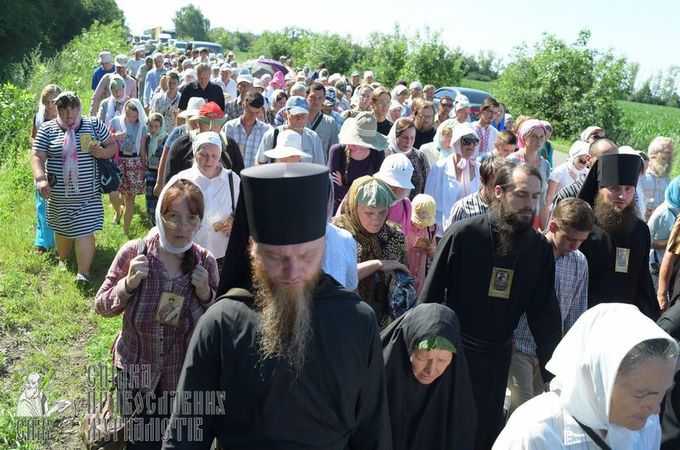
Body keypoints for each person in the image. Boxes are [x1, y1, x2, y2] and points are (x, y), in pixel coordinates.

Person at [162, 164, 391, 449]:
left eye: (306, 255)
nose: (292, 271)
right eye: (275, 257)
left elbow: (373, 433)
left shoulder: (357, 322)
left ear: (323, 246)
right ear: (252, 249)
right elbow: (186, 434)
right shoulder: (221, 323)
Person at [419, 162, 562, 449]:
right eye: (522, 195)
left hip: (497, 358)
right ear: (499, 192)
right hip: (452, 354)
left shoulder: (539, 249)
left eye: (535, 197)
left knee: (483, 431)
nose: (529, 204)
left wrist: (553, 374)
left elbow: (544, 316)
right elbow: (429, 297)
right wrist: (421, 352)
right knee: (442, 429)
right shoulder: (464, 234)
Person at [95, 177, 219, 450]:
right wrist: (127, 285)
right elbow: (102, 306)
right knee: (141, 444)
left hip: (183, 381)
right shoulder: (134, 253)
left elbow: (218, 325)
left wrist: (206, 295)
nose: (183, 227)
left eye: (192, 218)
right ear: (159, 216)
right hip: (135, 375)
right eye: (173, 216)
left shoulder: (205, 263)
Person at [494, 303, 678, 450]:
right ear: (599, 380)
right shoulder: (535, 432)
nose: (655, 409)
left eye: (661, 393)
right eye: (641, 394)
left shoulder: (646, 422)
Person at [507, 198, 593, 414]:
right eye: (570, 239)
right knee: (523, 409)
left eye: (581, 241)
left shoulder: (579, 262)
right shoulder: (529, 252)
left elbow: (575, 313)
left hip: (550, 353)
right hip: (519, 346)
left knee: (541, 411)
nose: (575, 247)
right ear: (553, 226)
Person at [31, 92, 117, 284]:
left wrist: (102, 152)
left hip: (88, 196)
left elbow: (112, 145)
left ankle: (83, 273)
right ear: (57, 109)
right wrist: (41, 179)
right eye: (63, 109)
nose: (69, 113)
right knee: (62, 230)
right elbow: (37, 156)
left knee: (84, 231)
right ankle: (63, 260)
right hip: (58, 197)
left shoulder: (93, 125)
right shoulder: (47, 129)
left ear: (79, 107)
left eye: (72, 108)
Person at [381, 303, 476, 450]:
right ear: (407, 346)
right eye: (422, 357)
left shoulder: (457, 397)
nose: (431, 370)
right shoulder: (378, 382)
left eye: (442, 360)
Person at [578, 153, 660, 319]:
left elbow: (643, 281)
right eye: (614, 188)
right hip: (587, 318)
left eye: (628, 189)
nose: (622, 196)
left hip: (626, 321)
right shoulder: (584, 228)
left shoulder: (641, 230)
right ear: (600, 189)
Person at [333, 176, 409, 328]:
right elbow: (335, 279)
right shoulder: (338, 233)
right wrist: (377, 264)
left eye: (382, 212)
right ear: (355, 207)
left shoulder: (395, 236)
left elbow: (404, 283)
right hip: (344, 321)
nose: (376, 219)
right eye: (369, 213)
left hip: (384, 325)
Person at [172, 131, 240, 268]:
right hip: (189, 251)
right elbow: (168, 214)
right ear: (195, 153)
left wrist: (235, 224)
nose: (209, 161)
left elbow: (243, 212)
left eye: (214, 155)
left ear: (220, 155)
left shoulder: (232, 179)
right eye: (203, 155)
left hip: (223, 254)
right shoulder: (182, 180)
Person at [165, 102, 244, 183]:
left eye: (215, 126)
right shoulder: (182, 145)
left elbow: (240, 178)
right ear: (198, 124)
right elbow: (170, 179)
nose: (211, 130)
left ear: (221, 126)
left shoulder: (229, 146)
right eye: (206, 125)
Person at [425, 123, 480, 237]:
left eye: (475, 141)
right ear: (456, 141)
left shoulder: (479, 168)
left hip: (470, 231)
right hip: (441, 231)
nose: (471, 145)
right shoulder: (439, 168)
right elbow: (428, 200)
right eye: (466, 141)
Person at [329, 112, 388, 212]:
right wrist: (361, 191)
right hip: (339, 211)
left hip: (366, 213)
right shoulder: (337, 151)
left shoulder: (378, 154)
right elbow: (333, 190)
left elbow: (375, 192)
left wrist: (343, 187)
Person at [30, 84, 62, 254]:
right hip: (43, 165)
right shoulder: (39, 117)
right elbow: (33, 136)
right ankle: (42, 242)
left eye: (53, 101)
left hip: (61, 167)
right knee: (42, 204)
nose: (50, 105)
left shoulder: (67, 117)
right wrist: (37, 146)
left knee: (58, 204)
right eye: (47, 102)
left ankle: (61, 241)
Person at [109, 99, 148, 234]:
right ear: (124, 111)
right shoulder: (115, 122)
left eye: (135, 116)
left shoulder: (142, 127)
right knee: (114, 193)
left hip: (133, 162)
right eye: (129, 115)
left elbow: (142, 148)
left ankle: (126, 229)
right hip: (117, 160)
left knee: (130, 197)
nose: (132, 119)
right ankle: (118, 211)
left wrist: (143, 167)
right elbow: (106, 139)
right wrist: (115, 137)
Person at [255, 96, 326, 165]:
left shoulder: (313, 138)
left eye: (303, 115)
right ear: (285, 115)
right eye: (295, 115)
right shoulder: (272, 134)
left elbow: (319, 168)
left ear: (308, 116)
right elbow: (260, 162)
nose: (299, 119)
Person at [507, 119, 551, 229]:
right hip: (513, 217)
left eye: (542, 136)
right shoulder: (512, 161)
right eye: (534, 136)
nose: (539, 140)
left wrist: (545, 230)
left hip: (533, 220)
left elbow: (542, 200)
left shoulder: (545, 165)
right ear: (524, 136)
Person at [552, 138, 618, 209]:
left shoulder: (618, 195)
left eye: (615, 160)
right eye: (605, 159)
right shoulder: (569, 194)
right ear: (588, 159)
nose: (611, 164)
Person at [447, 156, 505, 227]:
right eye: (494, 186)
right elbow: (451, 236)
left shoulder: (510, 206)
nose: (499, 192)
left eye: (503, 186)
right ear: (482, 180)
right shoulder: (463, 209)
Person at [223, 90, 271, 168]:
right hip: (233, 176)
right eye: (250, 112)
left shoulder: (266, 130)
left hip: (255, 177)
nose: (253, 116)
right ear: (243, 105)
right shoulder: (229, 127)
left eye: (257, 113)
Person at [386, 118, 430, 199]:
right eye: (405, 137)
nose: (409, 142)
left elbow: (426, 186)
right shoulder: (385, 155)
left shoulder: (420, 157)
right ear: (395, 136)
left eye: (412, 138)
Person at [374, 153, 415, 235]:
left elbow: (405, 238)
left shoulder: (406, 204)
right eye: (392, 187)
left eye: (402, 188)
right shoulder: (363, 198)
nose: (396, 192)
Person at [405, 194, 438, 294]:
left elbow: (435, 251)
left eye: (425, 222)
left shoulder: (431, 229)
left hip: (421, 279)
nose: (421, 224)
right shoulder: (404, 226)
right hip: (405, 276)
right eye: (417, 221)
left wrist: (432, 251)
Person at [545, 140, 590, 209]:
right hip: (557, 209)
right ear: (573, 156)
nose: (583, 165)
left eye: (586, 162)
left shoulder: (587, 173)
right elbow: (549, 198)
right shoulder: (559, 172)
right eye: (581, 161)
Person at [640, 136, 674, 220]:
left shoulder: (666, 179)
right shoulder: (641, 176)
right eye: (667, 152)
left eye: (671, 153)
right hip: (641, 226)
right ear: (653, 154)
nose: (670, 157)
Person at [144, 113, 167, 224]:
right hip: (149, 174)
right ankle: (152, 222)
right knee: (150, 199)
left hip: (161, 173)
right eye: (151, 126)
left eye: (156, 126)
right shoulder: (148, 139)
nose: (153, 129)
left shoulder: (166, 139)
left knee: (161, 200)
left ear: (161, 126)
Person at [305, 82, 339, 157]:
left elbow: (334, 151)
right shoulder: (297, 120)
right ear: (306, 97)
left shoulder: (330, 123)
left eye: (320, 98)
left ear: (324, 99)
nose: (316, 101)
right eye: (312, 97)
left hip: (321, 167)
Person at [150, 70, 180, 135]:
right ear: (166, 83)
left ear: (178, 83)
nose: (172, 85)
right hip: (161, 133)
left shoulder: (182, 99)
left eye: (174, 83)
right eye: (170, 83)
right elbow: (154, 116)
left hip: (176, 133)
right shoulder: (159, 99)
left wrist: (177, 114)